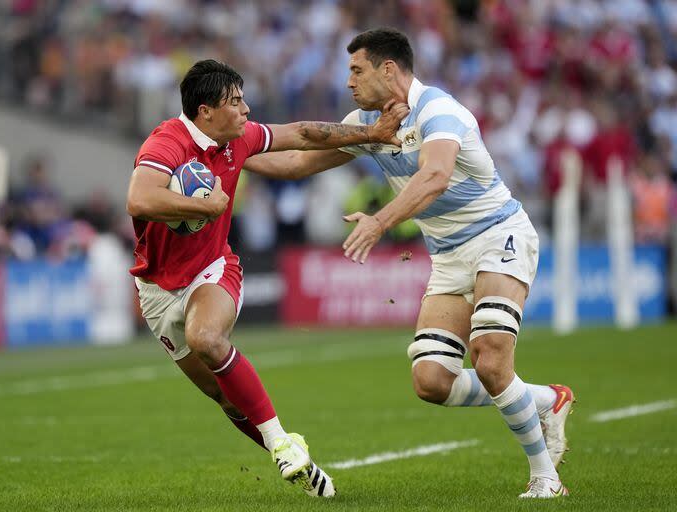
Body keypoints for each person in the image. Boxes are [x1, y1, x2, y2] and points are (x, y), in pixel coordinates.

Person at [244, 28, 573, 499]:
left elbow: (436, 175)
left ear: (389, 70)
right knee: (431, 379)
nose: (349, 81)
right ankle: (545, 399)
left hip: (499, 235)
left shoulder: (440, 110)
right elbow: (297, 161)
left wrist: (378, 224)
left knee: (491, 354)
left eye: (357, 70)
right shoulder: (367, 122)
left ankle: (546, 478)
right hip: (448, 257)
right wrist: (234, 155)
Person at [125, 59, 408, 498]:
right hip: (157, 290)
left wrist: (371, 133)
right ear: (205, 111)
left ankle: (280, 444)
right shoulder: (167, 143)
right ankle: (299, 462)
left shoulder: (240, 136)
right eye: (235, 102)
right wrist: (208, 207)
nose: (246, 109)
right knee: (223, 397)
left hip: (213, 268)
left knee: (207, 338)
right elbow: (140, 199)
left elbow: (301, 134)